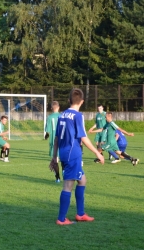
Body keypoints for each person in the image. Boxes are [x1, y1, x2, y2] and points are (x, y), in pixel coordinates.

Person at [49, 88, 104, 225]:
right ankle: (61, 219)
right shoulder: (78, 116)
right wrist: (97, 153)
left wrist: (54, 157)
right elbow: (83, 138)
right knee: (68, 185)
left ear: (68, 100)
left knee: (82, 180)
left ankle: (80, 214)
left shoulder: (62, 115)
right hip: (73, 153)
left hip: (64, 152)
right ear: (82, 102)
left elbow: (56, 138)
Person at [45, 101, 61, 182]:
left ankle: (57, 178)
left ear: (51, 108)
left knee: (55, 159)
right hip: (63, 140)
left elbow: (48, 131)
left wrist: (46, 137)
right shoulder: (62, 116)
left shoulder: (50, 117)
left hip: (54, 141)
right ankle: (67, 175)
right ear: (58, 107)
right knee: (64, 159)